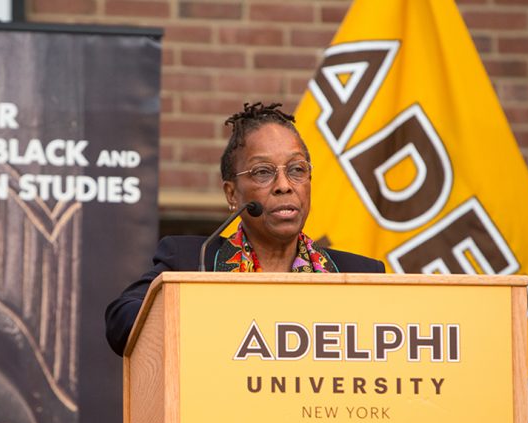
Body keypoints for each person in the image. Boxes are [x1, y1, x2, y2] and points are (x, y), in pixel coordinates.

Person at [105, 102, 385, 356]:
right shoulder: (190, 261)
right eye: (263, 172)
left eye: (297, 170)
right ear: (232, 194)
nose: (284, 185)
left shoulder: (361, 276)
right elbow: (121, 321)